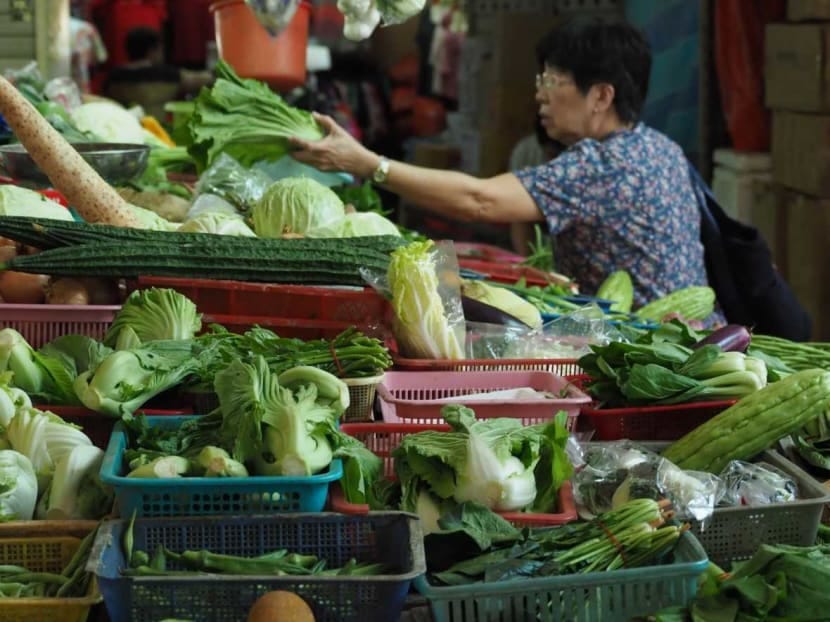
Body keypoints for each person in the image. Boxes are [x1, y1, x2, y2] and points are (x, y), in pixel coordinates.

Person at [289, 16, 716, 312]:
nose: (540, 95)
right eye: (540, 80)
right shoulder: (661, 148)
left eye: (552, 81)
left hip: (651, 349)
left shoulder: (601, 165)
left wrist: (369, 164)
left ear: (601, 97)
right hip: (689, 339)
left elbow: (480, 200)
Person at [104, 27, 213, 120]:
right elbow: (201, 79)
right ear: (152, 51)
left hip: (124, 128)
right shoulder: (166, 75)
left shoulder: (114, 77)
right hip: (158, 130)